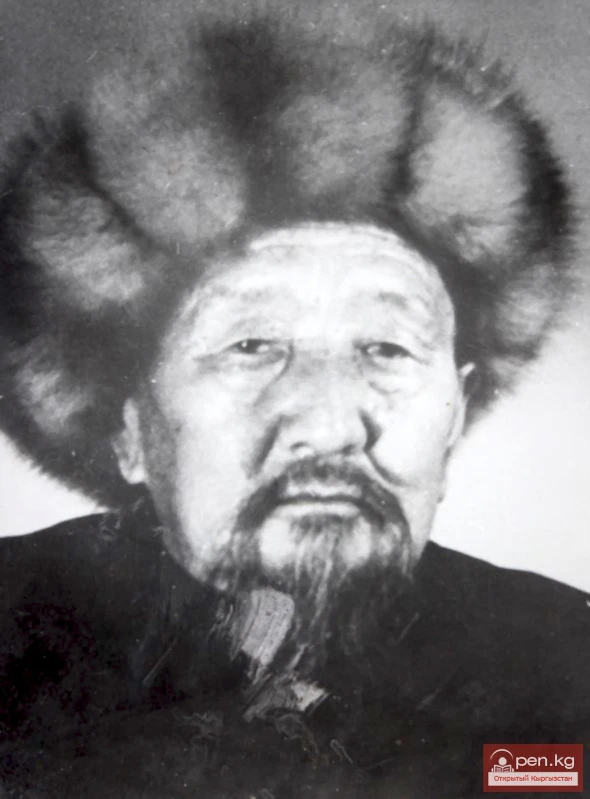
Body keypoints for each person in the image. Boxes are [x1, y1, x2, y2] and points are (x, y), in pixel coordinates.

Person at [0, 4, 588, 797]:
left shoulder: (564, 667)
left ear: (456, 410)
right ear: (128, 427)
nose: (330, 423)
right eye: (251, 345)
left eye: (387, 348)